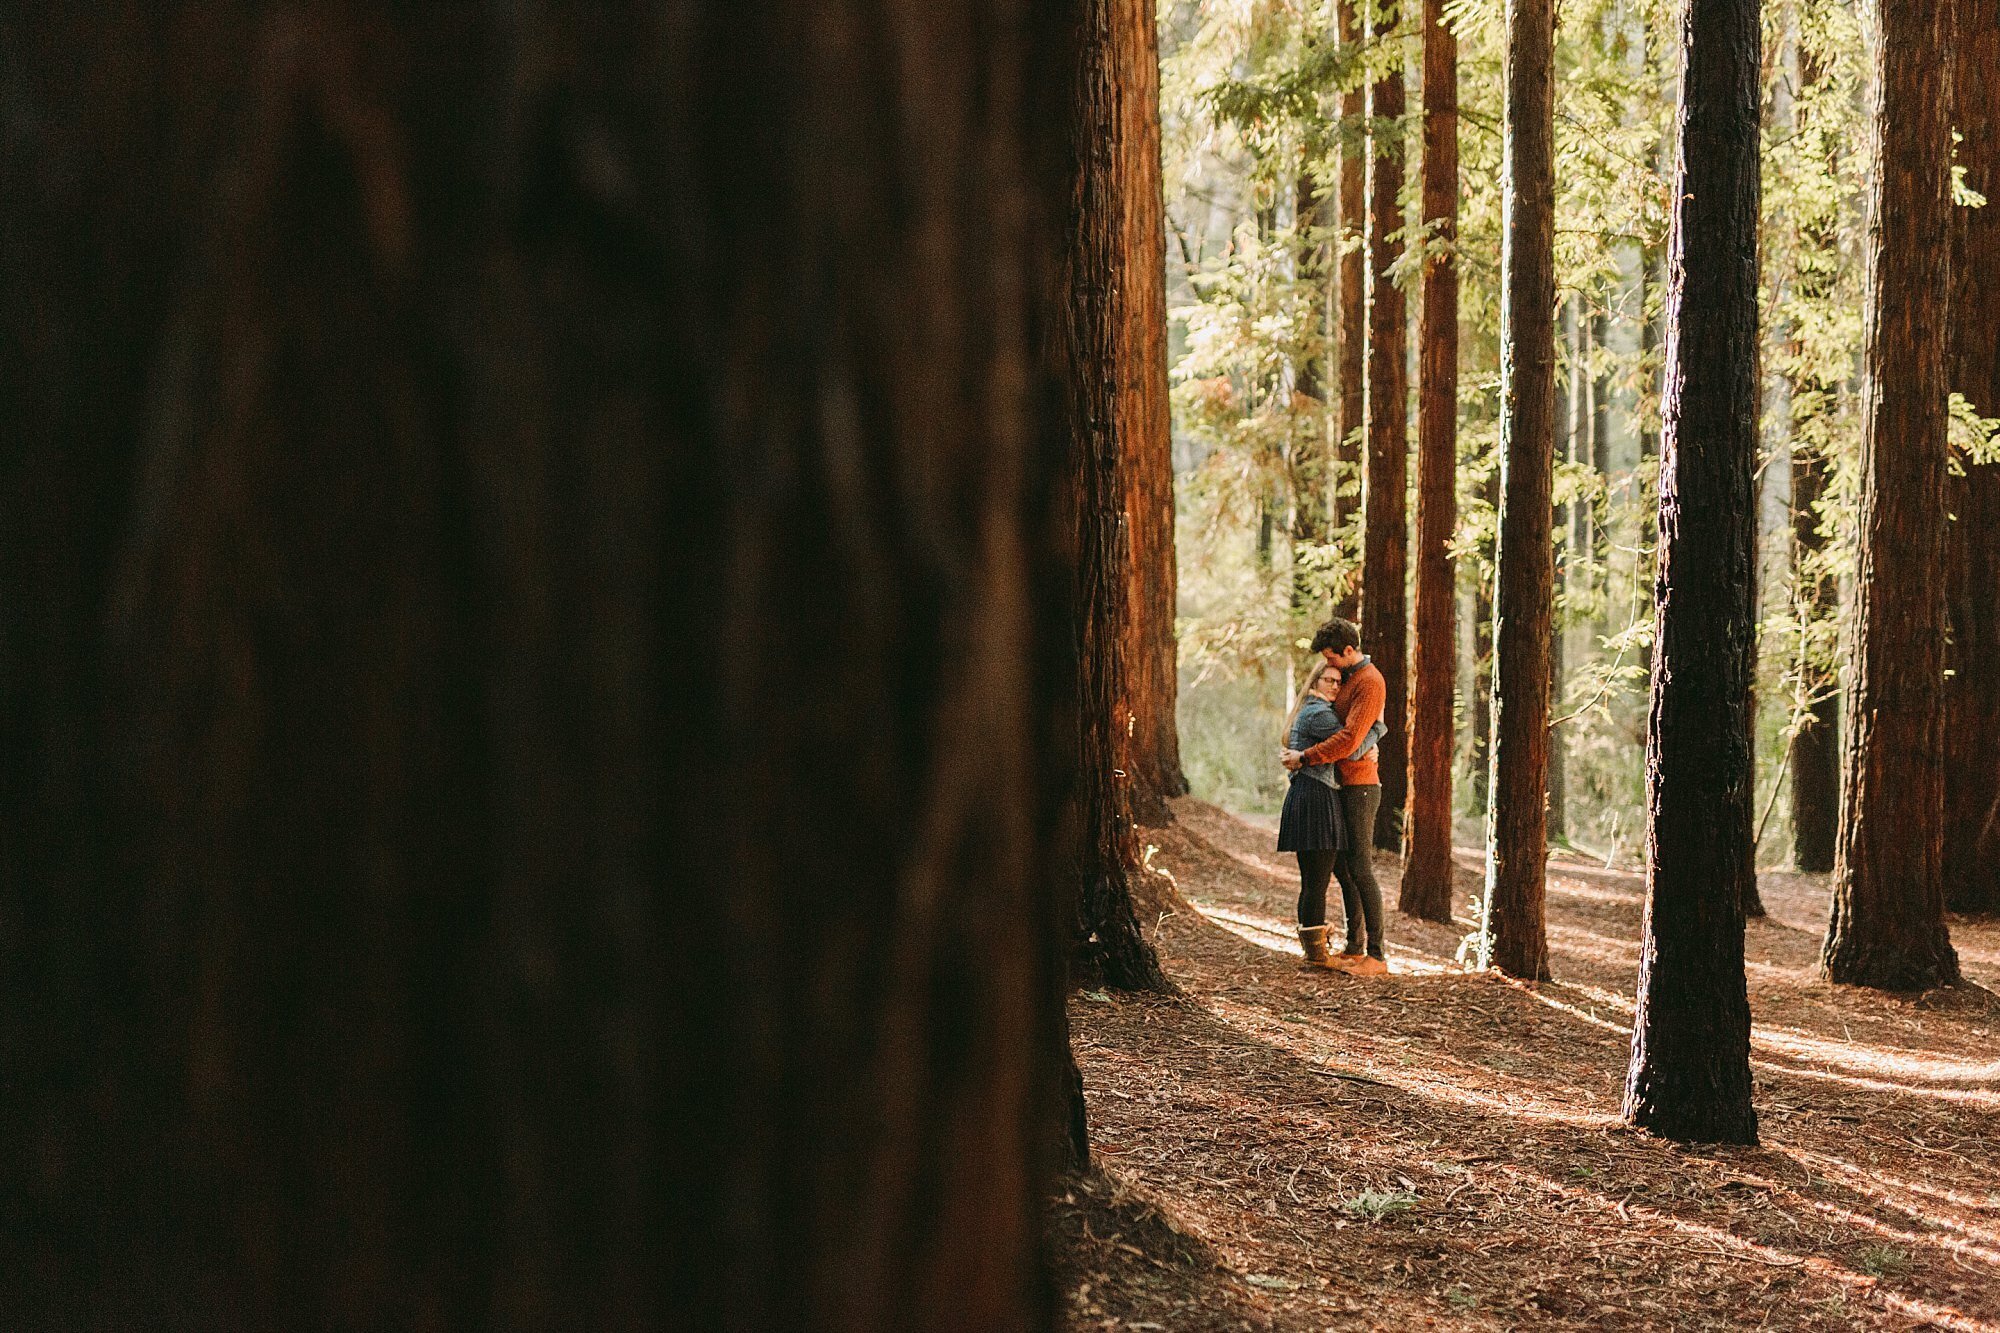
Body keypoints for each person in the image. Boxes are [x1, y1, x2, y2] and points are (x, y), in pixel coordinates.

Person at [1282, 618, 1391, 975]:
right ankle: (1355, 946)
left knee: (1360, 868)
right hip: (1340, 783)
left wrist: (1306, 757)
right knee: (1345, 871)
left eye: (1333, 661)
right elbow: (1353, 736)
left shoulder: (1369, 680)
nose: (1332, 675)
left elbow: (1349, 740)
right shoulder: (1349, 678)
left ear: (1348, 651)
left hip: (1359, 785)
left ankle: (1376, 955)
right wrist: (1369, 739)